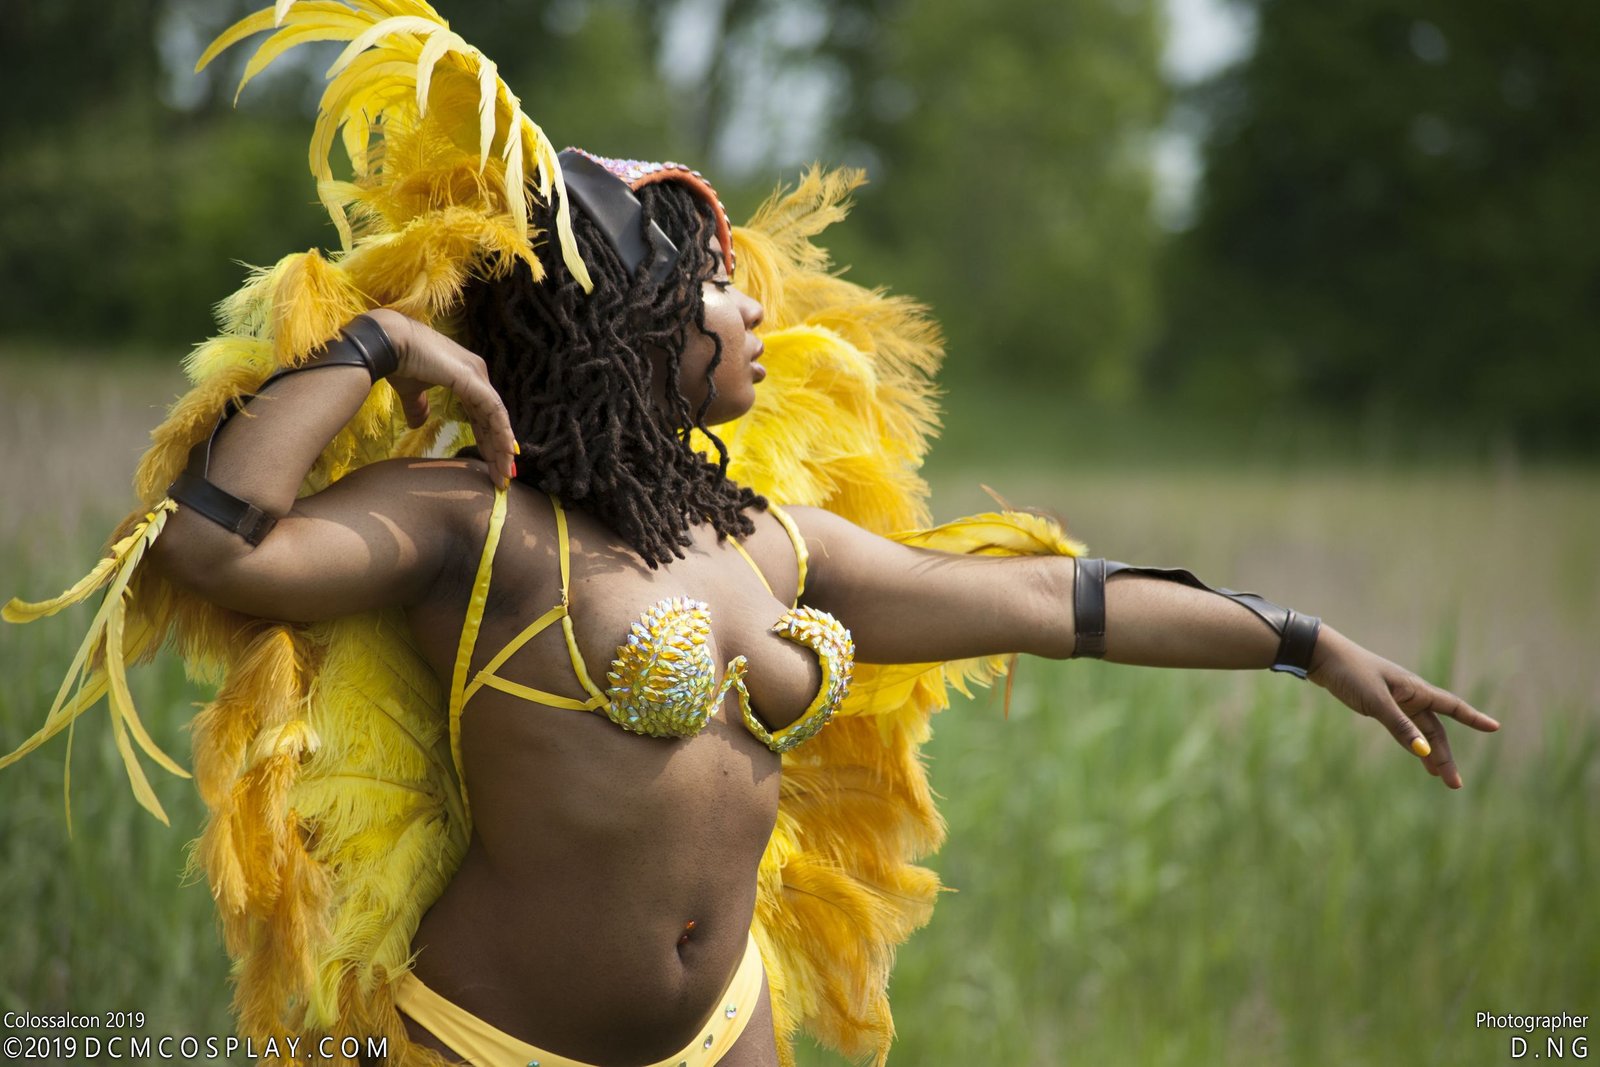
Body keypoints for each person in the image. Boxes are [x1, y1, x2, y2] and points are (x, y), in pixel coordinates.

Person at [1, 3, 1499, 1066]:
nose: (755, 307)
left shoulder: (774, 546)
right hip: (490, 1042)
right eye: (717, 285)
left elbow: (1062, 603)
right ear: (632, 319)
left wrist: (1306, 645)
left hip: (729, 1032)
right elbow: (215, 546)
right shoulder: (478, 527)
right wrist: (384, 345)